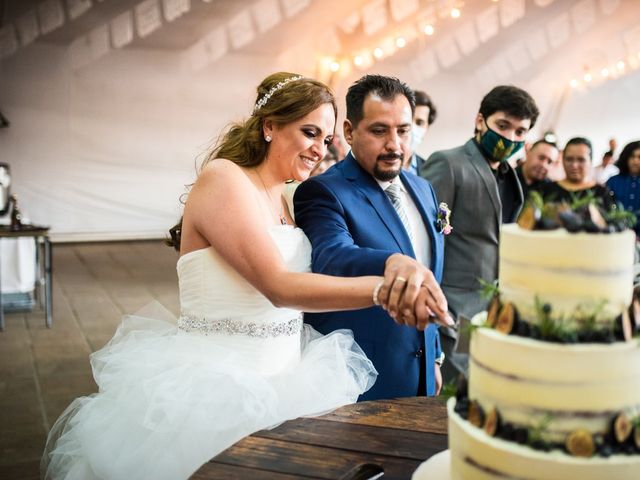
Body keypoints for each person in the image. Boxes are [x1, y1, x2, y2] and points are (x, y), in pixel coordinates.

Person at [41, 73, 448, 480]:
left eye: (324, 139)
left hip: (287, 382)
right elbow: (278, 286)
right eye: (309, 132)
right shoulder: (223, 179)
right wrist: (384, 290)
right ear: (269, 126)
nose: (318, 149)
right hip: (220, 389)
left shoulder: (284, 196)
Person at [294, 75, 454, 401]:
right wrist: (394, 262)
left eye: (404, 131)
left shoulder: (423, 189)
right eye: (380, 131)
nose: (395, 144)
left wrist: (433, 356)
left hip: (421, 373)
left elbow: (430, 276)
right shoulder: (324, 190)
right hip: (360, 380)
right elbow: (331, 256)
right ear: (350, 132)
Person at [420, 85, 539, 383]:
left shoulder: (511, 176)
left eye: (520, 132)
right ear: (480, 120)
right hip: (451, 304)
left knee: (477, 388)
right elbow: (425, 237)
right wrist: (435, 303)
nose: (510, 138)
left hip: (490, 307)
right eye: (503, 126)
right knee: (452, 389)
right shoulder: (448, 162)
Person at [541, 137, 614, 210]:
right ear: (562, 160)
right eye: (569, 159)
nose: (574, 165)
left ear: (590, 161)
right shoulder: (548, 189)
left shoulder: (601, 193)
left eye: (581, 160)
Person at [606, 140, 640, 236]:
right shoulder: (613, 181)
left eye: (639, 157)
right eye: (632, 156)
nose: (635, 161)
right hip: (616, 235)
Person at [403, 89, 437, 174]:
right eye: (408, 119)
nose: (412, 127)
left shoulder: (430, 171)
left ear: (427, 128)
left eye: (419, 123)